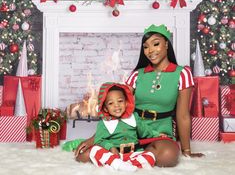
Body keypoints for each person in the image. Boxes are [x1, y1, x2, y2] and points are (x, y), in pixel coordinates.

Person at [75, 24, 204, 167]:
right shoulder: (137, 74)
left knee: (168, 156)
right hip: (129, 130)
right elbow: (118, 107)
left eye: (156, 44)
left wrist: (187, 150)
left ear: (166, 44)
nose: (150, 51)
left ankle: (125, 157)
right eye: (146, 47)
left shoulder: (182, 74)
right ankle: (135, 156)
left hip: (159, 133)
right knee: (83, 156)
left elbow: (183, 115)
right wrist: (94, 139)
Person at [89, 82, 159, 171]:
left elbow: (145, 131)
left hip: (133, 153)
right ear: (105, 108)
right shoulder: (104, 123)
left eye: (120, 101)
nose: (116, 105)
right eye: (111, 103)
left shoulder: (134, 117)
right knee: (95, 150)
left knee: (150, 156)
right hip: (115, 154)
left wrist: (157, 134)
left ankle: (125, 165)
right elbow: (99, 140)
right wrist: (111, 147)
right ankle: (116, 163)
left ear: (126, 103)